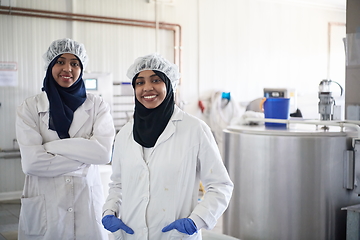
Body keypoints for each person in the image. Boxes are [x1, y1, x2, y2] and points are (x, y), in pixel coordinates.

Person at [102, 53, 234, 240]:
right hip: (130, 234)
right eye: (139, 82)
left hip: (174, 236)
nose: (147, 87)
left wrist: (196, 220)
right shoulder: (125, 134)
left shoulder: (194, 130)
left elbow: (220, 186)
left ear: (169, 84)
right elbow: (117, 184)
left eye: (155, 80)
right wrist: (110, 210)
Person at [15, 38, 115, 240]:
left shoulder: (97, 106)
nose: (67, 68)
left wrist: (50, 147)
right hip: (46, 207)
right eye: (60, 62)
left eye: (74, 63)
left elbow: (103, 153)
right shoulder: (30, 107)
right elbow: (32, 163)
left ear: (81, 68)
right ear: (50, 66)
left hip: (86, 203)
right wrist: (85, 155)